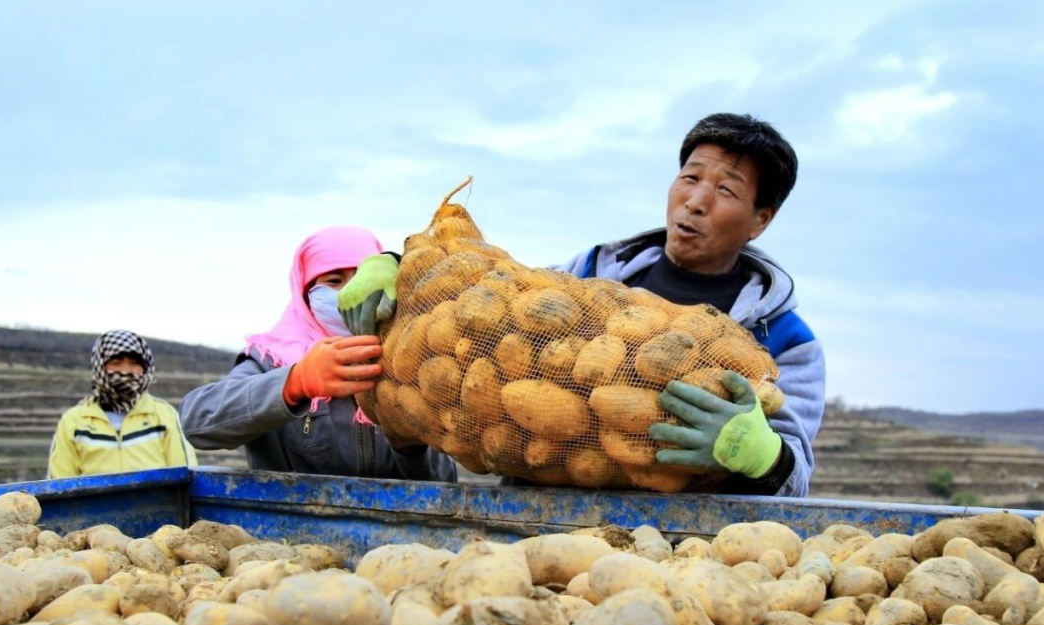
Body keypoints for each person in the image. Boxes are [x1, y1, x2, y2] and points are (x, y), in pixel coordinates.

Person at [340, 113, 823, 497]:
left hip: (687, 542)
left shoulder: (784, 340)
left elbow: (794, 480)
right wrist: (402, 263)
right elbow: (489, 299)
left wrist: (763, 457)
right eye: (690, 177)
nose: (695, 201)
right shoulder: (588, 273)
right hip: (538, 515)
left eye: (725, 190)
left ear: (761, 219)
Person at [179, 226, 456, 482]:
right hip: (290, 531)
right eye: (334, 280)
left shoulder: (406, 364)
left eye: (362, 281)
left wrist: (409, 448)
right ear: (305, 293)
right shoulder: (270, 359)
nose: (350, 293)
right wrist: (295, 382)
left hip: (398, 532)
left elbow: (444, 482)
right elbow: (198, 421)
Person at [48, 330, 197, 478]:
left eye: (133, 364)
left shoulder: (164, 415)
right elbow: (59, 484)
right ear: (100, 366)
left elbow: (186, 476)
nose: (125, 371)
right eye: (116, 363)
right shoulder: (73, 421)